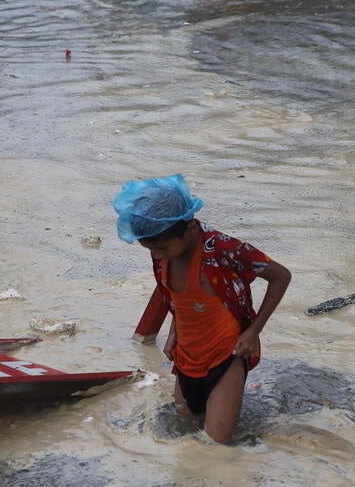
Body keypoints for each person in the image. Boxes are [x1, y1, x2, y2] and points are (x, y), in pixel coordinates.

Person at [114, 175, 291, 446]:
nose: (157, 255)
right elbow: (176, 296)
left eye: (162, 248)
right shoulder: (162, 253)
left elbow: (281, 276)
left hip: (225, 356)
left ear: (189, 227)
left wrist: (254, 331)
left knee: (215, 446)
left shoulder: (222, 250)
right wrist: (173, 332)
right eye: (150, 249)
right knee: (184, 426)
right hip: (186, 358)